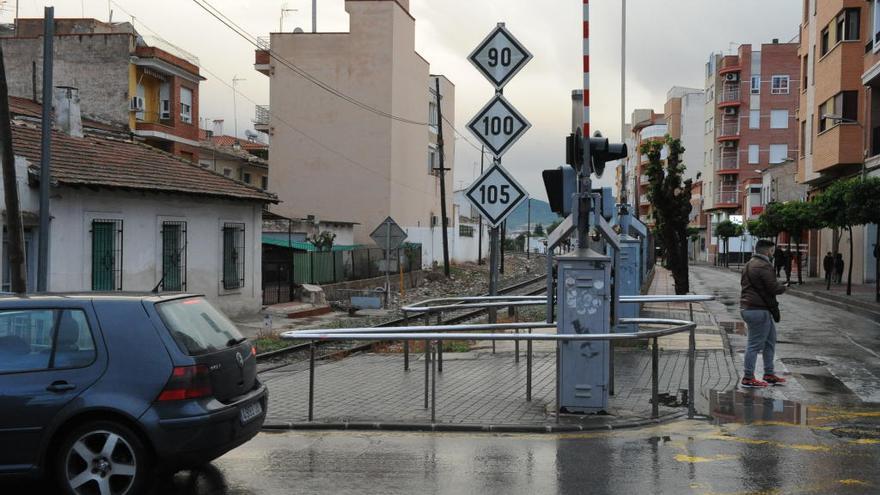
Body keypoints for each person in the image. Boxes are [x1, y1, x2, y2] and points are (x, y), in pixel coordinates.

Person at [740, 239, 787, 388]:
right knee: (754, 345)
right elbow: (773, 288)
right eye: (772, 251)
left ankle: (769, 373)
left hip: (750, 307)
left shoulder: (748, 264)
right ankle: (748, 377)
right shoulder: (764, 266)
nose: (773, 254)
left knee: (769, 341)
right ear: (767, 251)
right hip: (758, 309)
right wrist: (784, 287)